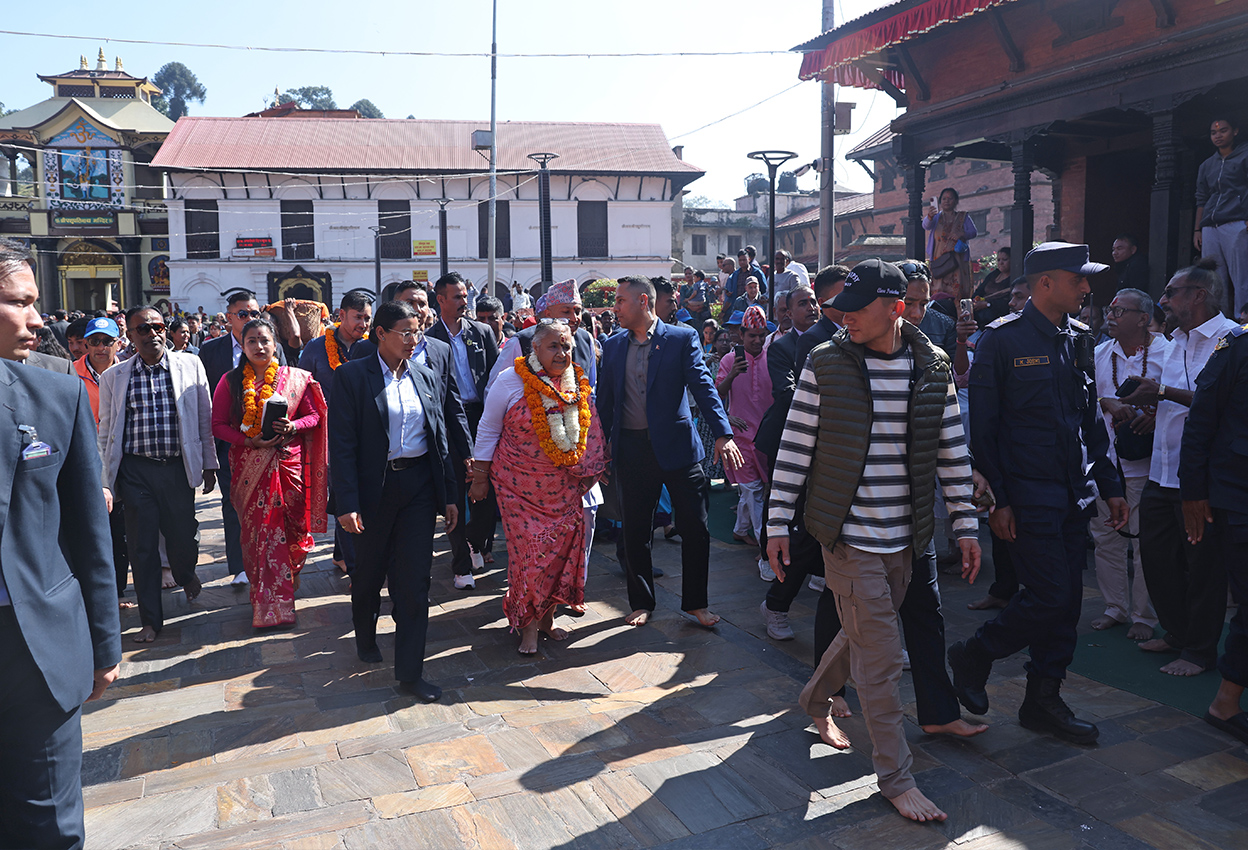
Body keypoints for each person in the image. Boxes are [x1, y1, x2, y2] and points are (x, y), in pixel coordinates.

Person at [765, 258, 982, 824]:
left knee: (862, 634)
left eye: (856, 309)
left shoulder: (933, 368)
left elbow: (951, 452)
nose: (844, 317)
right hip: (847, 537)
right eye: (841, 307)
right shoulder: (825, 362)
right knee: (882, 658)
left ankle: (813, 700)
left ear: (897, 308)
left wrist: (964, 523)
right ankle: (895, 776)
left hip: (907, 539)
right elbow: (795, 445)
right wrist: (776, 522)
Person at [949, 242, 1127, 745]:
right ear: (1045, 283)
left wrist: (1110, 484)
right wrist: (999, 500)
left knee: (1066, 603)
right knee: (1050, 595)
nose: (1087, 288)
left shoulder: (1078, 338)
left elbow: (1090, 418)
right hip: (1026, 494)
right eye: (1079, 279)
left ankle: (1043, 699)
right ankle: (976, 653)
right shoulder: (1000, 341)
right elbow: (983, 433)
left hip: (1072, 491)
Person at [0, 239, 120, 850]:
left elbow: (86, 529)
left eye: (36, 303)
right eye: (19, 304)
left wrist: (104, 642)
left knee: (47, 821)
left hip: (35, 646)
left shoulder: (56, 395)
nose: (39, 319)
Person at [330, 300, 460, 703]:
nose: (413, 339)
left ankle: (410, 672)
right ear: (381, 334)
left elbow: (440, 439)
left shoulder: (426, 375)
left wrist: (449, 496)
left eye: (417, 331)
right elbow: (344, 445)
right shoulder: (352, 376)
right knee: (368, 573)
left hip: (418, 487)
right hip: (374, 490)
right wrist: (346, 503)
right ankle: (365, 634)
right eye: (404, 332)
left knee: (414, 581)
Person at [598, 275, 743, 627]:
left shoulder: (681, 338)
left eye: (620, 301)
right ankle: (642, 602)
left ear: (643, 302)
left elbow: (703, 386)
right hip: (632, 450)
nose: (614, 307)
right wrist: (600, 450)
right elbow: (605, 402)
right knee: (635, 530)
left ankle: (696, 604)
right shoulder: (614, 344)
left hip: (678, 449)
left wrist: (723, 433)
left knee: (695, 527)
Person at [1119, 259, 1240, 676]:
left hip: (1201, 478)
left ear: (1199, 295)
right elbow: (1174, 401)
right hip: (1161, 469)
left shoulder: (1232, 340)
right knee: (1157, 560)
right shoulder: (1174, 342)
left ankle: (1199, 651)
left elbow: (1217, 405)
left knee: (1203, 568)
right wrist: (1150, 406)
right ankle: (1176, 631)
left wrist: (1164, 392)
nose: (1165, 300)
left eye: (1172, 292)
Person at [470, 320, 607, 653]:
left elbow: (589, 433)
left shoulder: (576, 382)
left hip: (564, 489)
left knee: (559, 556)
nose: (561, 353)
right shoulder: (510, 381)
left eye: (566, 346)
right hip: (519, 488)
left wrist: (589, 473)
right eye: (553, 346)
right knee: (530, 555)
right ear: (535, 349)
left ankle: (547, 618)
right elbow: (487, 431)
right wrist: (479, 478)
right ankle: (527, 625)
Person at [99, 306, 218, 643]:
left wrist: (209, 464)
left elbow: (203, 420)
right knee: (143, 547)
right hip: (136, 472)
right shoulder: (115, 377)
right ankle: (151, 619)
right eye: (143, 329)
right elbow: (107, 430)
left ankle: (185, 572)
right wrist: (106, 481)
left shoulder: (190, 365)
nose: (152, 334)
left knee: (183, 536)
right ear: (131, 336)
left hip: (177, 469)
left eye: (157, 326)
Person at [213, 318, 328, 629]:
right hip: (250, 467)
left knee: (293, 530)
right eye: (252, 341)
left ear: (275, 343)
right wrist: (249, 440)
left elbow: (315, 415)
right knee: (257, 535)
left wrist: (294, 425)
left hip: (289, 466)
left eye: (264, 340)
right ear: (243, 346)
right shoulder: (231, 382)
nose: (259, 346)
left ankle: (290, 576)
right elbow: (218, 425)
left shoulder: (297, 378)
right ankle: (267, 603)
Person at [1179, 321, 1248, 746]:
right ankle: (1225, 703)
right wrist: (1193, 494)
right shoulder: (1237, 347)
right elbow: (1201, 421)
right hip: (1238, 496)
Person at [1090, 288, 1167, 640]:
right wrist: (1107, 403)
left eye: (1120, 311)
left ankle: (1144, 616)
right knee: (1106, 536)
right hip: (1106, 464)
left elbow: (1188, 401)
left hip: (1148, 465)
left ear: (1143, 318)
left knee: (1143, 542)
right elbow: (1084, 401)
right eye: (1110, 309)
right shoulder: (1099, 354)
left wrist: (1155, 415)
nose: (1111, 315)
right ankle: (1114, 607)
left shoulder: (1169, 352)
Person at [200, 290, 286, 588]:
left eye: (254, 313)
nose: (251, 319)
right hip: (231, 443)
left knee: (273, 505)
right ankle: (239, 565)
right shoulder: (211, 351)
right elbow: (206, 401)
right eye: (243, 314)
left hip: (271, 443)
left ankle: (273, 560)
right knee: (233, 503)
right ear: (229, 319)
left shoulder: (273, 347)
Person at [428, 272, 497, 587]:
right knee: (455, 490)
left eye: (464, 296)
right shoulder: (429, 340)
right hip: (449, 423)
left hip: (483, 419)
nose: (463, 302)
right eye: (456, 297)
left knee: (486, 490)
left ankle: (476, 541)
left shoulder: (481, 332)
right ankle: (460, 566)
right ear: (440, 300)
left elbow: (497, 377)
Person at [300, 290, 373, 576]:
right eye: (358, 318)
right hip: (329, 435)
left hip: (366, 432)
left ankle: (343, 553)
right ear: (340, 316)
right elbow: (302, 388)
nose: (363, 324)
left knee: (360, 491)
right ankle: (354, 564)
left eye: (367, 318)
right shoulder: (316, 349)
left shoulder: (372, 347)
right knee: (342, 492)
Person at [74, 316, 132, 608]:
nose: (100, 347)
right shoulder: (70, 375)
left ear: (117, 344)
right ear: (85, 344)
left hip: (121, 458)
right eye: (94, 342)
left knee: (121, 529)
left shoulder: (128, 372)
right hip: (86, 458)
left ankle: (118, 590)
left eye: (107, 341)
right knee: (95, 527)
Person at [717, 305, 772, 558]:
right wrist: (732, 375)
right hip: (740, 439)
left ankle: (740, 529)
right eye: (752, 335)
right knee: (754, 492)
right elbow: (716, 396)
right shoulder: (729, 360)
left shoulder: (773, 357)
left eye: (762, 334)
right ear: (741, 334)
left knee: (754, 490)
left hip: (766, 437)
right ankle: (766, 549)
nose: (758, 340)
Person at [1194, 116, 1248, 313]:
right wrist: (1197, 228)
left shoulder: (1245, 155)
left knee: (1242, 275)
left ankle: (1244, 320)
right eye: (1213, 132)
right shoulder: (1207, 165)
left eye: (1223, 130)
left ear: (1235, 131)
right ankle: (1219, 322)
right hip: (1210, 225)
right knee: (1214, 278)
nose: (1218, 135)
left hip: (1236, 221)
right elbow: (1201, 197)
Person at [923, 187, 977, 303]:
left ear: (956, 201)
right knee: (938, 288)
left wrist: (961, 234)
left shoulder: (963, 217)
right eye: (944, 199)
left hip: (957, 260)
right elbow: (926, 226)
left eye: (950, 198)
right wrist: (929, 217)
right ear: (940, 201)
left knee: (958, 289)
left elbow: (973, 232)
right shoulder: (936, 217)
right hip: (940, 260)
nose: (947, 201)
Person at [899, 260, 957, 359]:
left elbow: (957, 372)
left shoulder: (945, 326)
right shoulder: (872, 330)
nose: (917, 314)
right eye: (908, 303)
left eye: (923, 304)